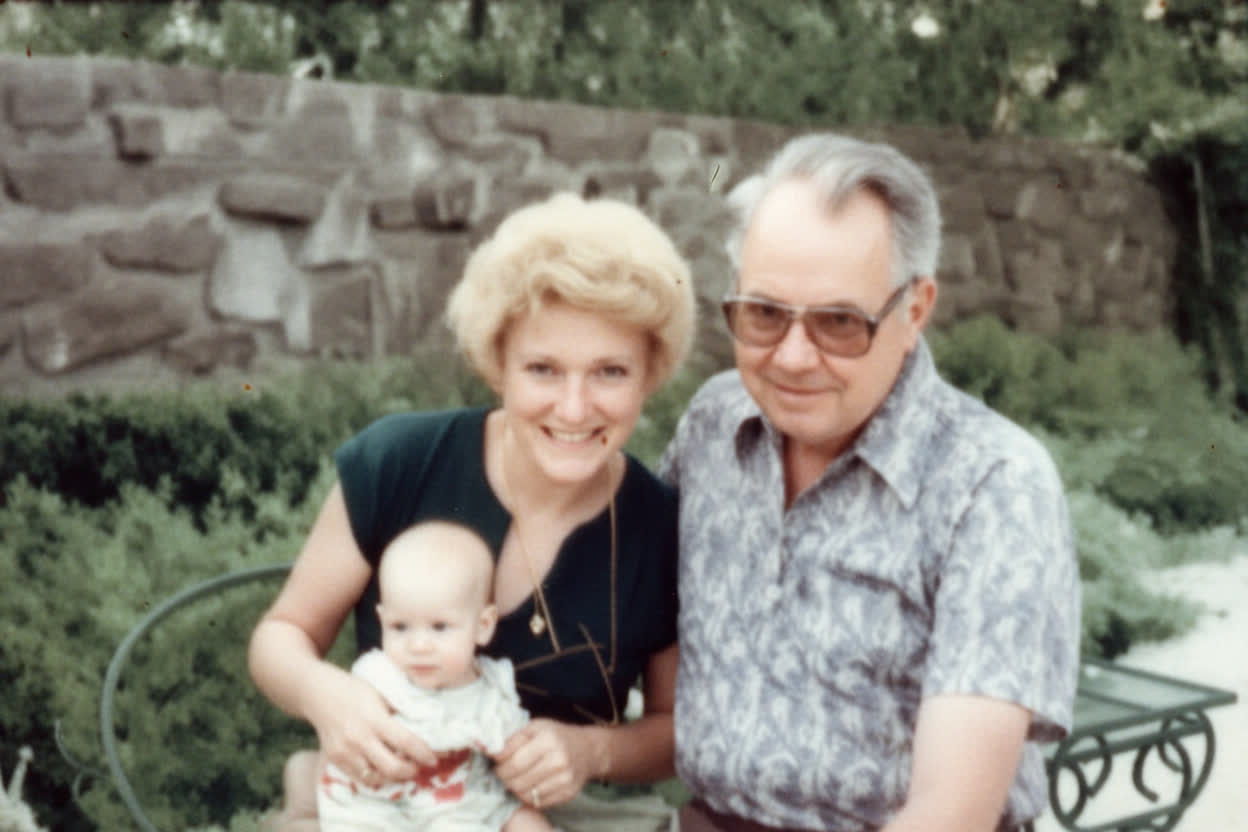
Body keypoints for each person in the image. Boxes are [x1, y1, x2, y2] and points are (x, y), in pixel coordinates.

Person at [658, 134, 1081, 832]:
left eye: (839, 324)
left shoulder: (993, 484)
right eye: (764, 314)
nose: (793, 358)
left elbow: (948, 815)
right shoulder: (714, 423)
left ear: (914, 310)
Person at [249, 191, 696, 832]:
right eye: (542, 369)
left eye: (609, 372)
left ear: (651, 373)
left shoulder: (662, 530)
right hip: (389, 801)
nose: (574, 408)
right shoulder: (400, 461)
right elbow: (280, 637)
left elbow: (676, 731)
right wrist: (327, 697)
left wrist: (592, 750)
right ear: (498, 367)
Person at [317, 520, 550, 832]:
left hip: (460, 805)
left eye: (439, 627)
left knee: (528, 824)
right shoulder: (378, 678)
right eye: (400, 626)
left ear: (483, 625)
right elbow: (337, 737)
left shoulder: (492, 690)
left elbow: (514, 750)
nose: (418, 645)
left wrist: (524, 761)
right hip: (379, 808)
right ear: (383, 620)